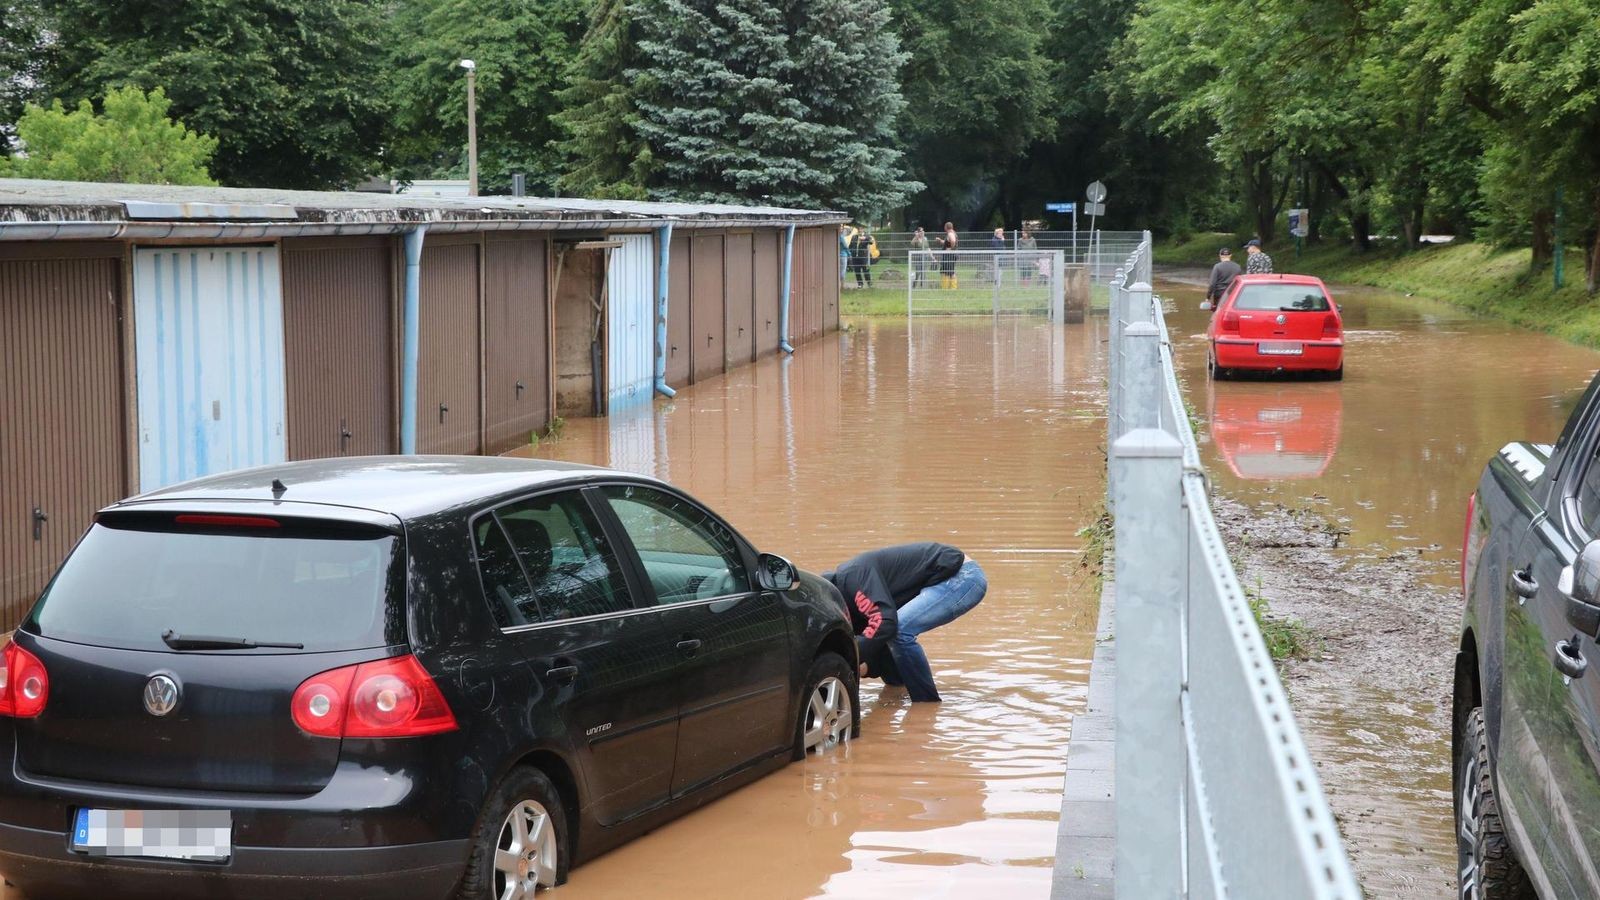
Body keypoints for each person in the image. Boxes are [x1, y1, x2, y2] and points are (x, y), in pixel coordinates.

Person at [823, 542, 987, 702]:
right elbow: (879, 647)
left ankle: (925, 709)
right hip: (944, 579)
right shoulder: (855, 608)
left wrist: (851, 656)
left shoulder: (852, 578)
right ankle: (900, 695)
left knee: (900, 630)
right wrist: (863, 668)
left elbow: (885, 622)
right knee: (885, 637)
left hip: (961, 576)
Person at [940, 222, 959, 289]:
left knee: (948, 272)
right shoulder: (953, 233)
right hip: (951, 255)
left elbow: (953, 241)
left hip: (949, 256)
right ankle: (949, 287)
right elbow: (948, 242)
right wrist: (941, 241)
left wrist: (951, 249)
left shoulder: (950, 233)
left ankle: (949, 288)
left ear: (946, 227)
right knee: (949, 271)